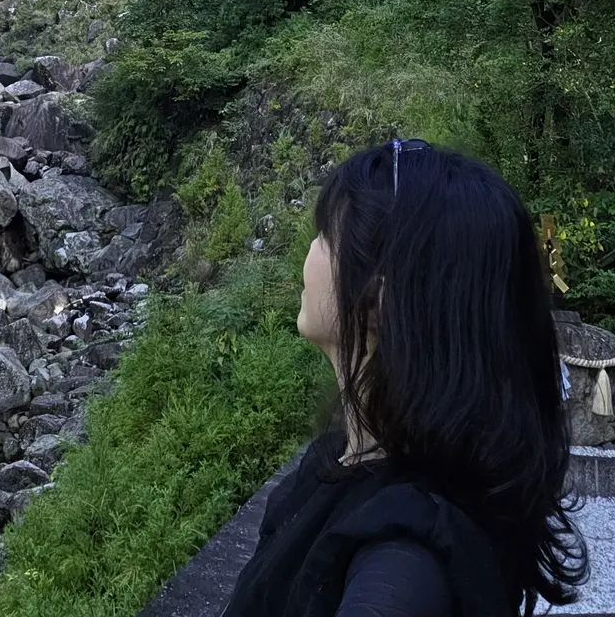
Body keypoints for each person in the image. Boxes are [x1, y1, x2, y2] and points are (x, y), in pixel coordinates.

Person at [222, 139, 587, 617]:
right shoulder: (356, 463)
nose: (309, 254)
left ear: (379, 300)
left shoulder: (403, 564)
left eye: (324, 237)